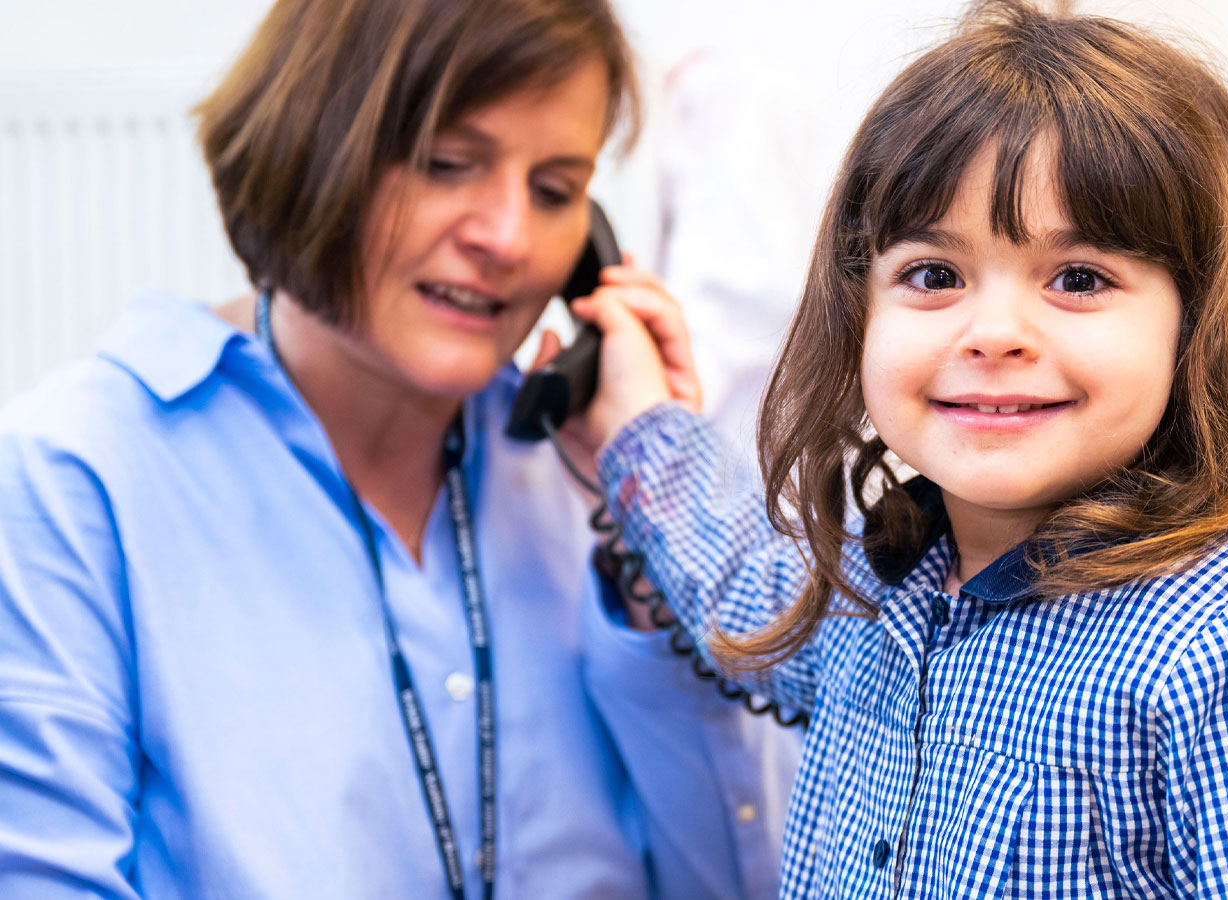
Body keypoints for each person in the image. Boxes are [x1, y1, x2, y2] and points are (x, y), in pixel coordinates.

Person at [559, 1, 1228, 896]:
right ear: (857, 311)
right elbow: (745, 595)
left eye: (1079, 279)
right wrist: (641, 424)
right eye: (934, 275)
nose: (994, 333)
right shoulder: (889, 581)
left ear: (1192, 327)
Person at [0, 0, 792, 897]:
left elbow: (730, 883)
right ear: (309, 150)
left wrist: (649, 535)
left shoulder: (584, 474)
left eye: (555, 190)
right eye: (447, 165)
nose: (507, 239)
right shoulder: (76, 479)